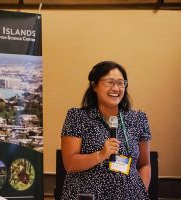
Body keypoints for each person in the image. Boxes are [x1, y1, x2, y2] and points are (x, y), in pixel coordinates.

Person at [61, 61, 151, 200]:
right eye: (110, 82)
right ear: (94, 86)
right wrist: (100, 155)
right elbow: (70, 164)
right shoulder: (78, 117)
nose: (116, 88)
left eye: (121, 83)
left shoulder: (138, 119)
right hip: (87, 196)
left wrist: (139, 192)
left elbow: (144, 164)